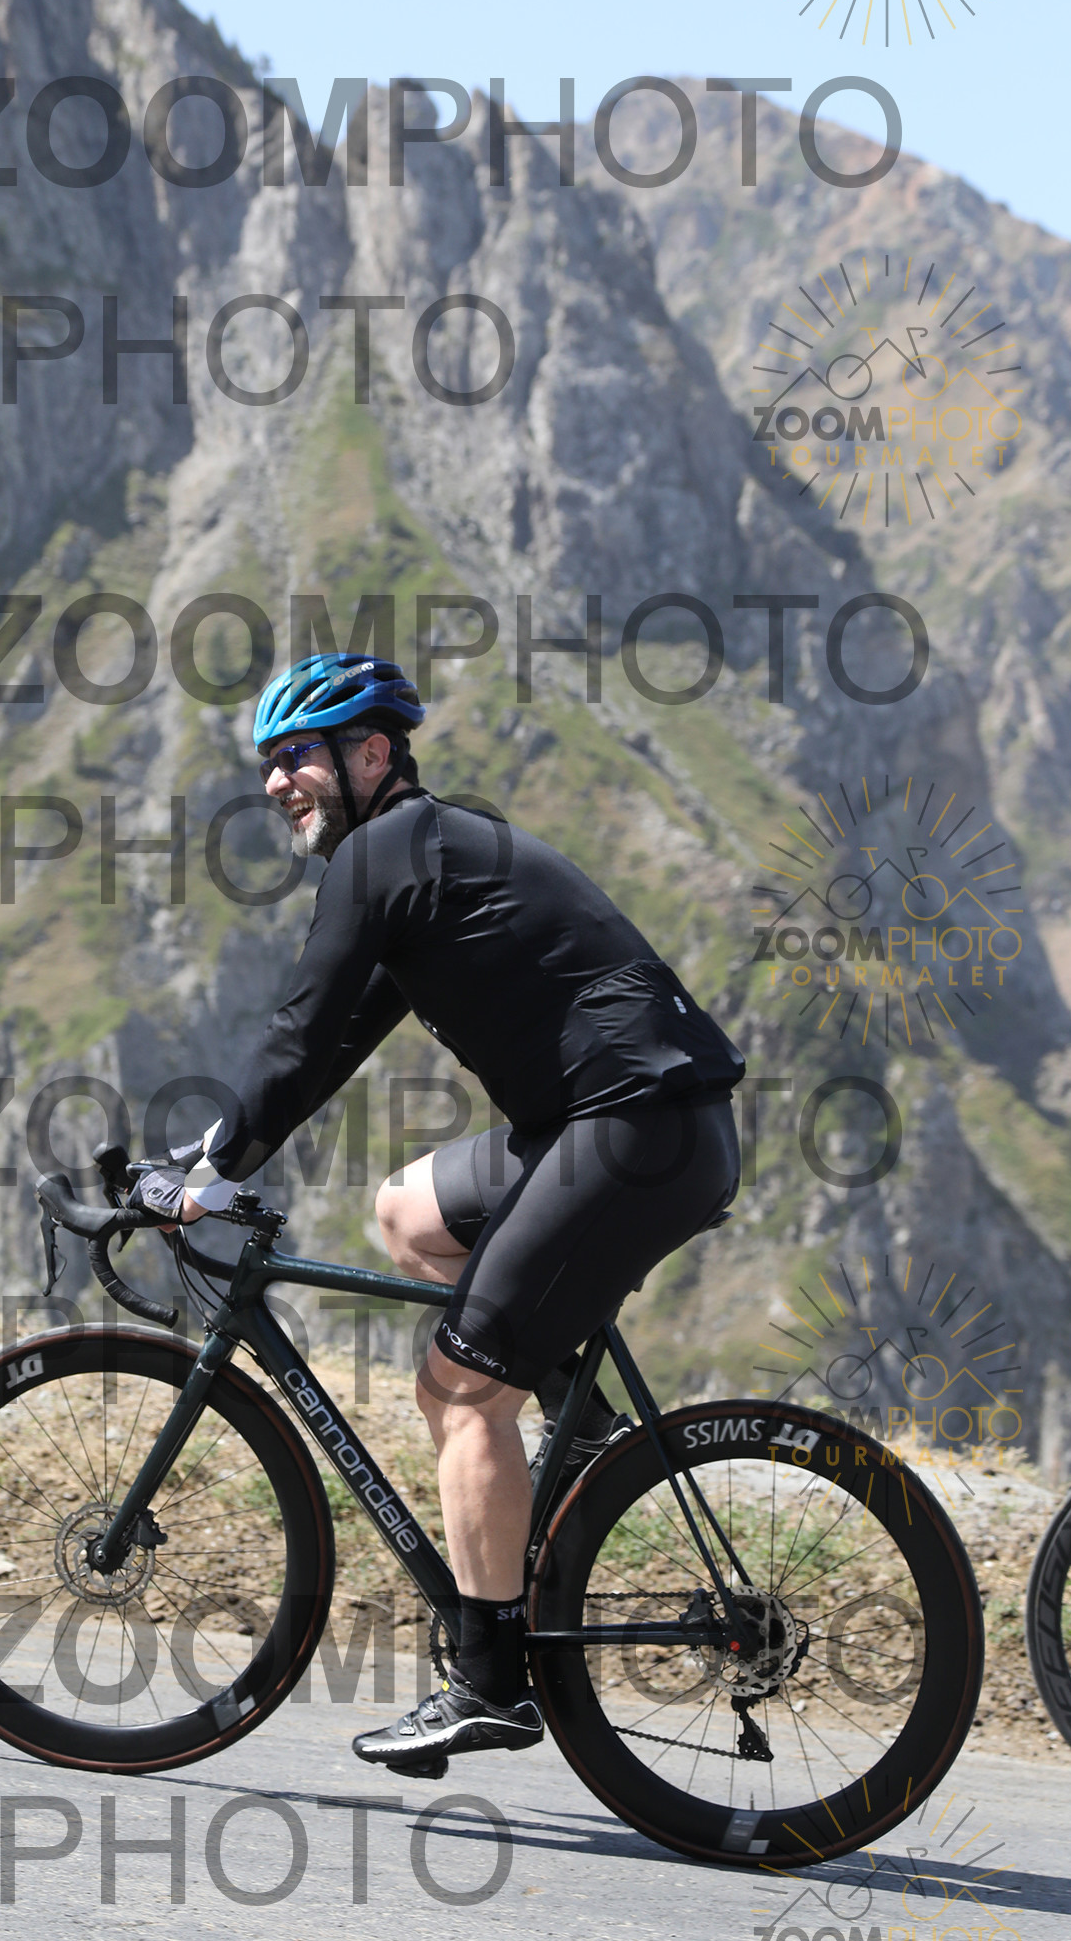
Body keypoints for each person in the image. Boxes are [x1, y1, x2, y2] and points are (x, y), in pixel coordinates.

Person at [128, 652, 744, 1773]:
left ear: (372, 755)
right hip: (628, 1125)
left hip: (636, 1131)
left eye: (298, 757)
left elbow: (297, 1033)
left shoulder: (383, 853)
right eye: (267, 764)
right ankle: (578, 1425)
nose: (276, 783)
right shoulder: (423, 856)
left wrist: (210, 1179)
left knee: (458, 1389)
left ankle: (490, 1683)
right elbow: (332, 1044)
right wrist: (205, 1157)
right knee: (410, 1214)